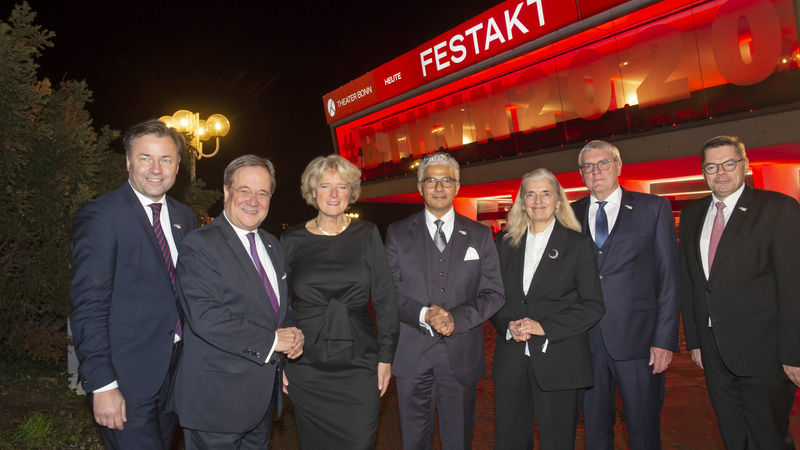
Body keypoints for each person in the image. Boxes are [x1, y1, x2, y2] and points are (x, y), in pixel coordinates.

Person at [69, 119, 196, 449]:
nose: (156, 169)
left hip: (174, 377)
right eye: (145, 158)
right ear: (127, 162)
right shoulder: (101, 216)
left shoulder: (185, 217)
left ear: (177, 166)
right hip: (124, 381)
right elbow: (87, 308)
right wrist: (102, 385)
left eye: (166, 160)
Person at [173, 155, 304, 450]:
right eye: (244, 190)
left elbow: (279, 309)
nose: (253, 201)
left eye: (263, 193)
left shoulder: (272, 244)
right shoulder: (200, 244)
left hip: (259, 404)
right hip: (215, 404)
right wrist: (273, 341)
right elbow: (206, 317)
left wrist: (294, 333)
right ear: (226, 191)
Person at [680, 136, 800, 449]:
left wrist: (793, 353)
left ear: (744, 165)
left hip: (765, 353)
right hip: (713, 351)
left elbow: (793, 287)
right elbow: (691, 282)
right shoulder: (692, 215)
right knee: (734, 437)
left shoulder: (778, 209)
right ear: (703, 172)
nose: (720, 172)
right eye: (711, 167)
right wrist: (695, 341)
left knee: (769, 438)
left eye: (728, 164)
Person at [385, 152, 505, 450]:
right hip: (412, 355)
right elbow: (388, 293)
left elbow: (494, 293)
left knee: (459, 441)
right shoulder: (398, 233)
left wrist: (456, 319)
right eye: (431, 181)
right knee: (413, 441)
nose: (439, 187)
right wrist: (424, 314)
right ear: (419, 186)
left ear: (458, 186)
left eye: (446, 180)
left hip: (460, 355)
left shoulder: (479, 235)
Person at [280, 155, 399, 449]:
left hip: (359, 362)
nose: (334, 194)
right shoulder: (290, 239)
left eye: (342, 186)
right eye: (325, 186)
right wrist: (278, 360)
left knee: (360, 442)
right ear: (312, 191)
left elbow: (385, 299)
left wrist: (386, 356)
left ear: (351, 193)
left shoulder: (368, 233)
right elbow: (279, 305)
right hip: (305, 362)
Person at [572, 140, 680, 450]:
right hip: (586, 343)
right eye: (588, 167)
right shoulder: (568, 214)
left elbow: (669, 278)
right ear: (581, 174)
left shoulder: (653, 208)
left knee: (643, 430)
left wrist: (664, 340)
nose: (596, 171)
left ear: (618, 166)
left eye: (603, 163)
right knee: (594, 431)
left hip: (640, 342)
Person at [491, 169, 605, 450]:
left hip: (561, 361)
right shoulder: (505, 244)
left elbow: (593, 306)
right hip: (512, 362)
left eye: (545, 194)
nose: (537, 201)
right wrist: (507, 325)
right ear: (521, 201)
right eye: (530, 194)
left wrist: (545, 327)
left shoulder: (578, 245)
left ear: (558, 201)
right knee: (509, 442)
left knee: (557, 442)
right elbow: (493, 298)